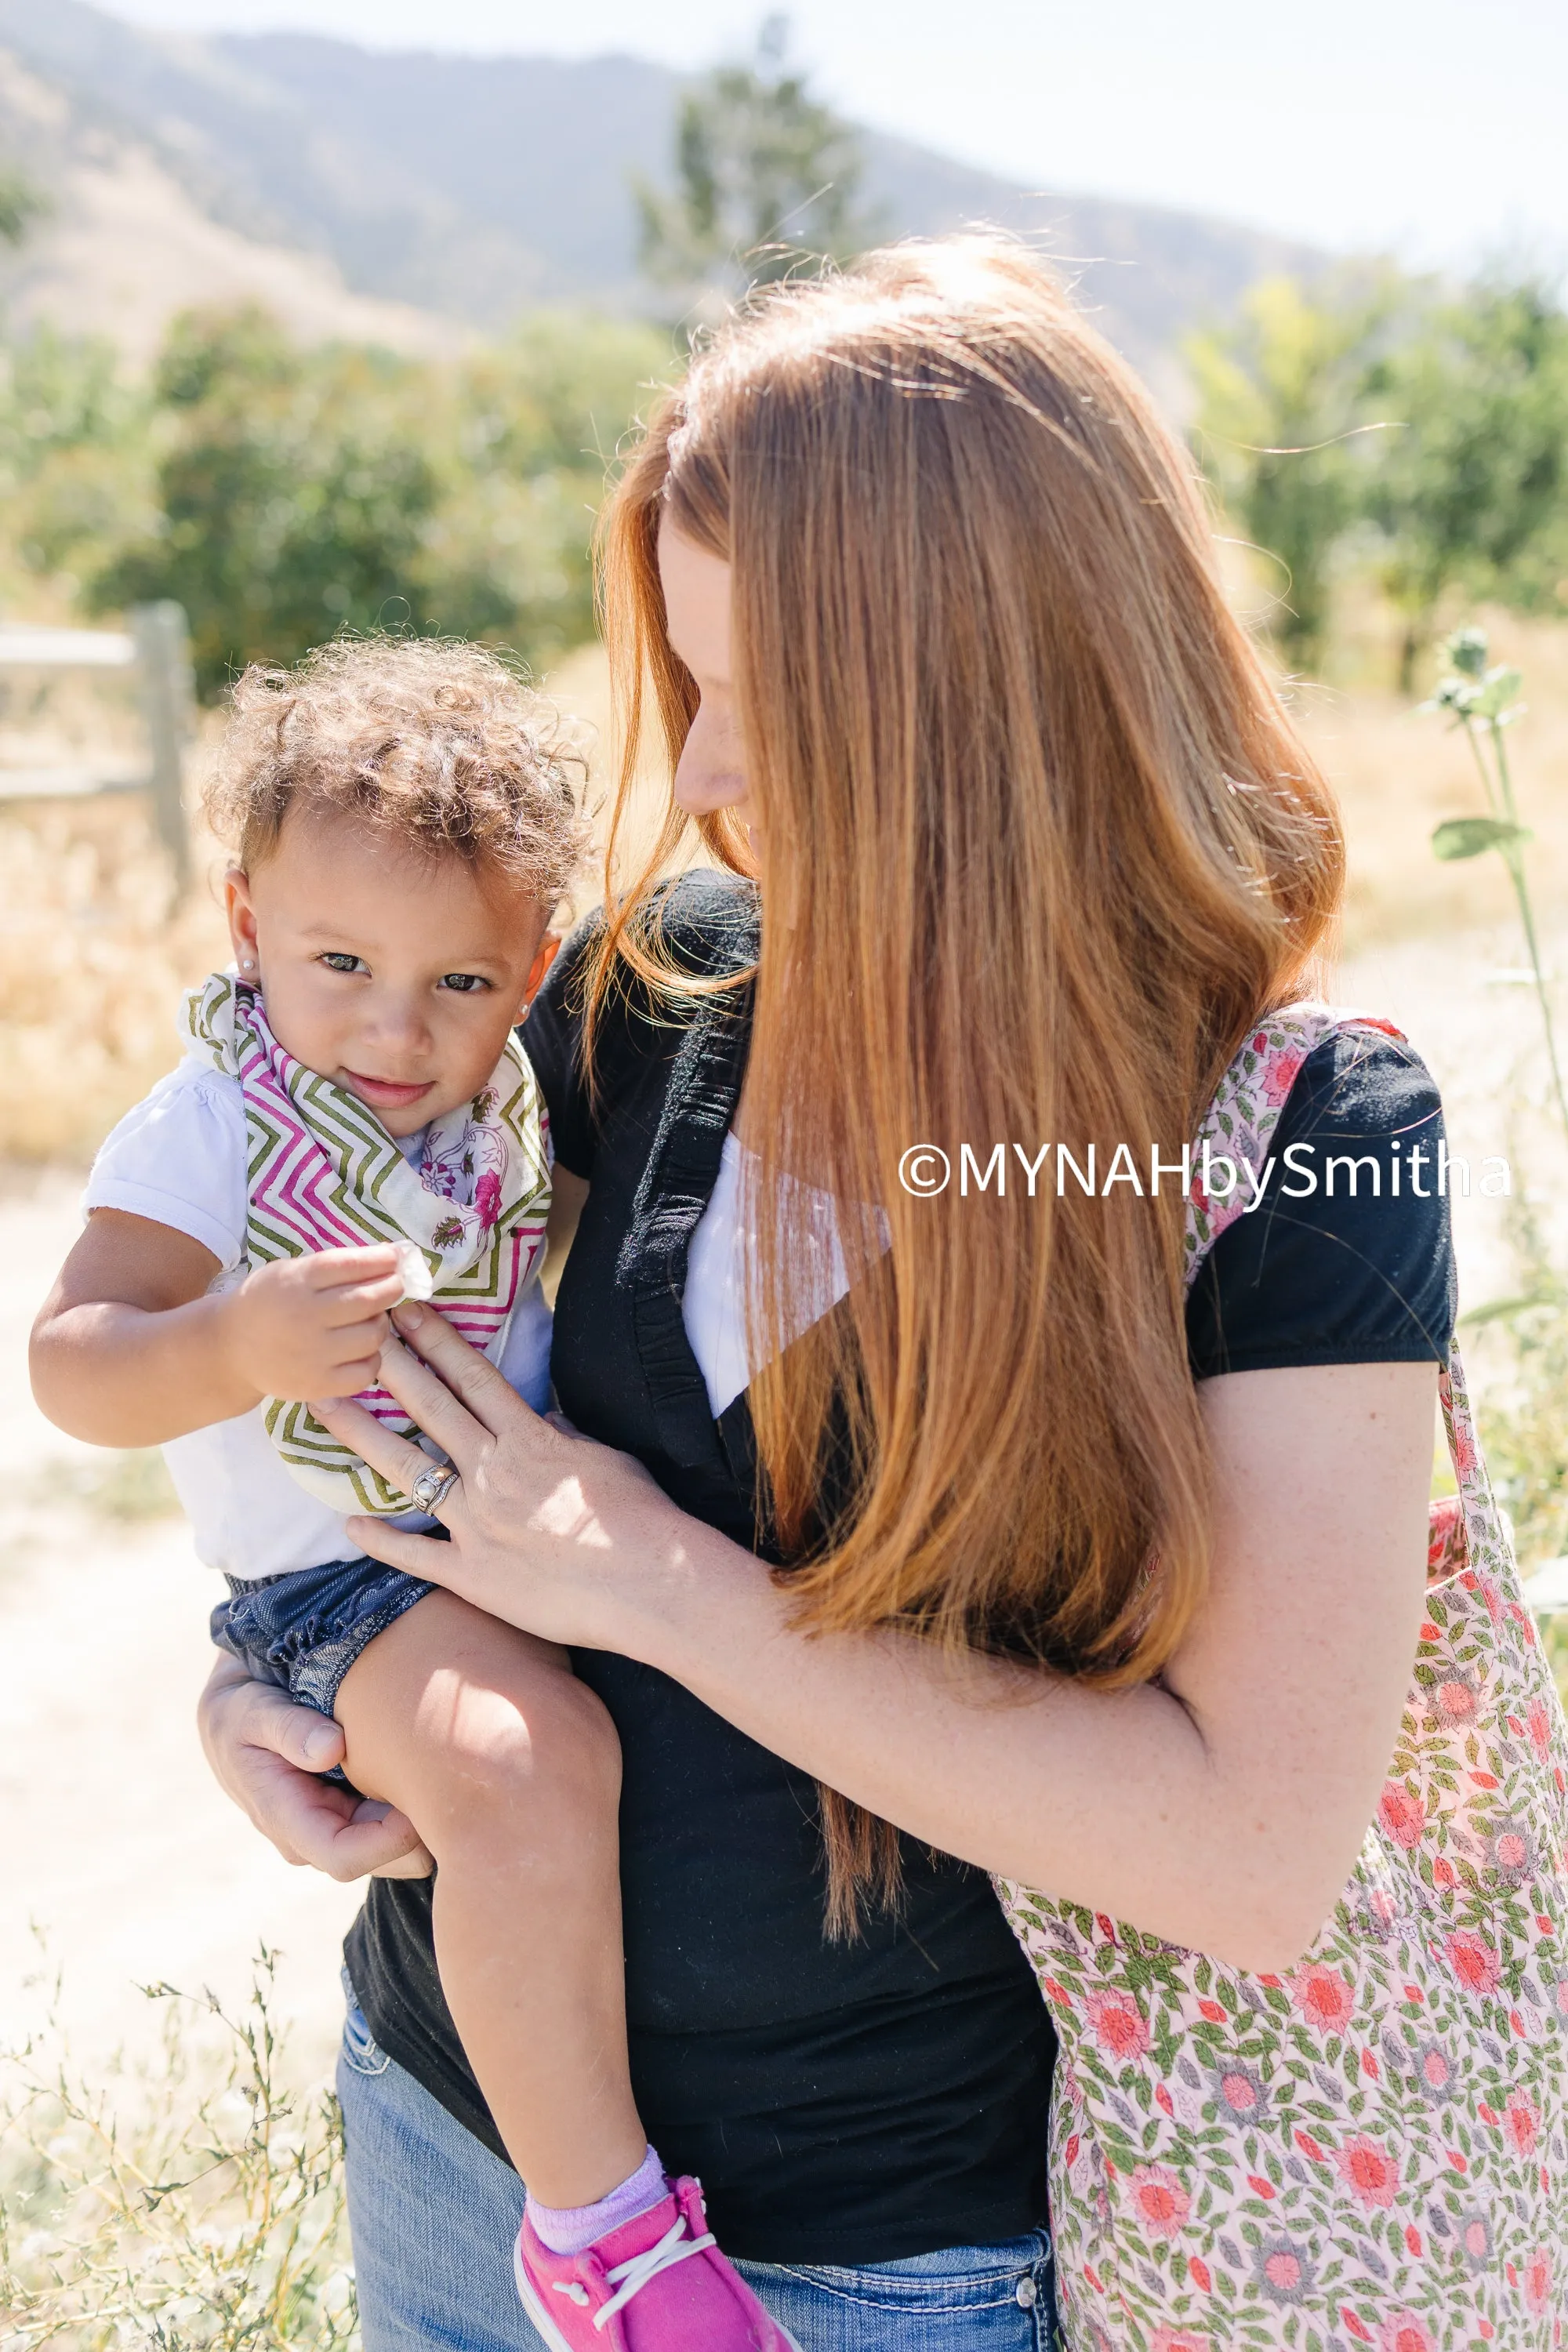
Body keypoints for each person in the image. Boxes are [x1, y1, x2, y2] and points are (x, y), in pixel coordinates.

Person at [200, 238, 1568, 2350]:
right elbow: (298, 1310)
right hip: (456, 2139)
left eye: (772, 699)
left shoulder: (1303, 1133)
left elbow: (1252, 1853)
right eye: (692, 683)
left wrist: (655, 1580)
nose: (711, 774)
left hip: (868, 2272)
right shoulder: (651, 993)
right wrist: (267, 1685)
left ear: (987, 693)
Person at [30, 638, 800, 2352]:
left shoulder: (503, 1103)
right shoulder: (216, 1125)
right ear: (246, 930)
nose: (395, 1026)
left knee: (576, 1753)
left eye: (461, 983)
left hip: (491, 1544)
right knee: (529, 1767)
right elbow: (74, 1360)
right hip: (344, 1582)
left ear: (532, 968)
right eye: (340, 963)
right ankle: (597, 2234)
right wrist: (233, 1339)